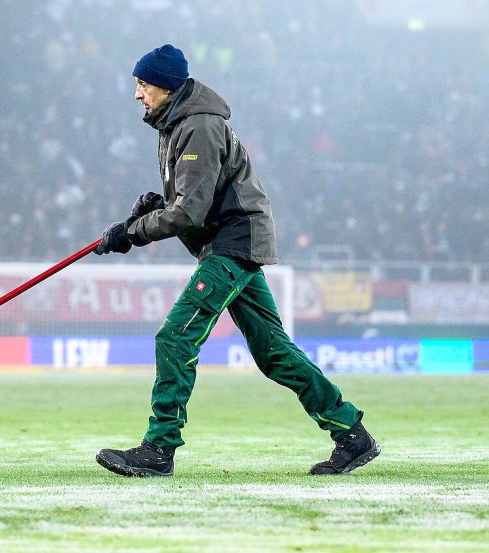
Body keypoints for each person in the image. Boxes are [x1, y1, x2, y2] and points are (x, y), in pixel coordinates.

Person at [93, 44, 380, 477]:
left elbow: (189, 212)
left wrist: (132, 232)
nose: (137, 93)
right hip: (230, 242)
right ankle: (353, 435)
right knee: (274, 353)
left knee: (175, 337)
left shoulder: (199, 127)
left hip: (233, 243)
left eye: (143, 84)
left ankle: (159, 448)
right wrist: (155, 205)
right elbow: (192, 197)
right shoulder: (176, 125)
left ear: (168, 87)